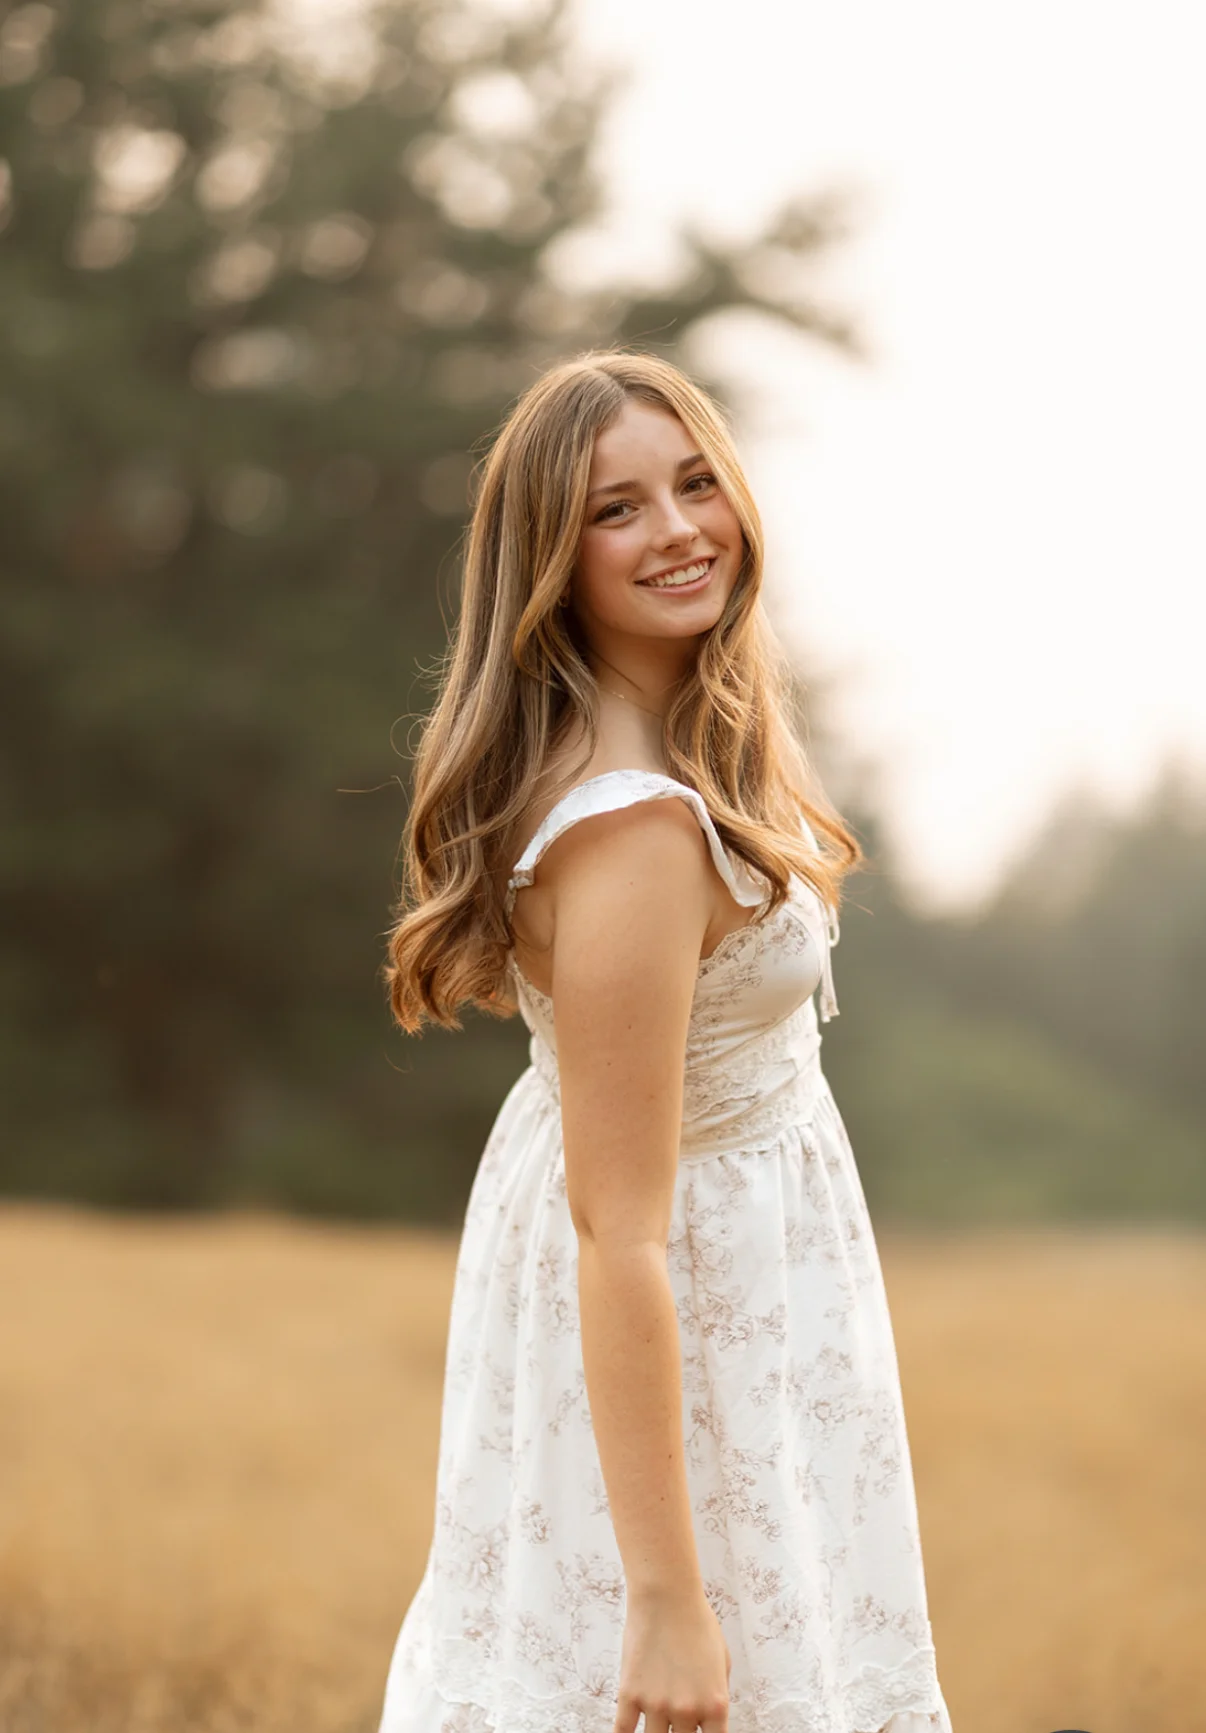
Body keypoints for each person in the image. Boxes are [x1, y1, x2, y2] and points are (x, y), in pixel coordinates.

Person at [378, 349, 954, 1733]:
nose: (680, 528)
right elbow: (618, 1228)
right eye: (616, 509)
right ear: (547, 559)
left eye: (696, 483)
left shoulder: (684, 744)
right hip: (679, 1307)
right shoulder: (635, 825)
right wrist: (663, 1594)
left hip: (744, 1290)